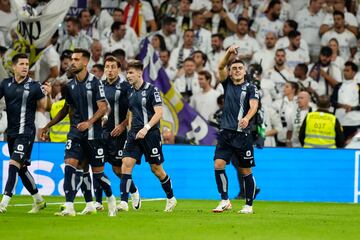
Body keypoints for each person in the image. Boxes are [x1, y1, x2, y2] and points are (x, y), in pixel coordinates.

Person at [39, 48, 117, 217]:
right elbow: (66, 109)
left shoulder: (96, 83)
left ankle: (110, 198)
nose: (72, 62)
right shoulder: (70, 85)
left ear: (85, 62)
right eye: (71, 59)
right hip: (75, 134)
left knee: (97, 174)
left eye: (76, 59)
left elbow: (103, 108)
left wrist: (89, 123)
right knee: (70, 166)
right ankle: (69, 206)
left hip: (93, 135)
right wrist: (48, 125)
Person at [117, 60, 177, 212]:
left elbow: (159, 113)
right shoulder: (129, 91)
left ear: (139, 73)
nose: (128, 75)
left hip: (150, 134)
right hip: (134, 134)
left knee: (156, 169)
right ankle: (124, 201)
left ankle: (171, 197)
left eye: (131, 72)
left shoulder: (152, 90)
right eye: (127, 72)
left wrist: (146, 127)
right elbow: (131, 111)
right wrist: (129, 127)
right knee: (125, 164)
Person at [0, 53, 50, 213]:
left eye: (27, 64)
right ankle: (39, 200)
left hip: (26, 133)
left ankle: (4, 202)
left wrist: (47, 94)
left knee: (14, 164)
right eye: (21, 64)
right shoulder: (5, 84)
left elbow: (46, 107)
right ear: (14, 67)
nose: (25, 67)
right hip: (12, 133)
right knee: (21, 169)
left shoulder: (34, 86)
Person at [212, 45, 259, 214]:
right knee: (218, 164)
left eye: (240, 68)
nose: (237, 70)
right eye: (234, 68)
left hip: (243, 135)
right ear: (230, 72)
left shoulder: (251, 88)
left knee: (246, 170)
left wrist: (246, 118)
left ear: (245, 71)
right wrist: (228, 53)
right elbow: (220, 66)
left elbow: (254, 106)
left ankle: (249, 205)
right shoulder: (227, 84)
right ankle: (225, 200)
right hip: (225, 133)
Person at [94, 56, 141, 211]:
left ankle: (133, 192)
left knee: (118, 170)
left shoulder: (126, 86)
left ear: (118, 69)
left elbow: (133, 109)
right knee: (97, 166)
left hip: (119, 134)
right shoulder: (100, 85)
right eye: (107, 67)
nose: (110, 70)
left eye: (113, 67)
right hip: (102, 134)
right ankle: (99, 202)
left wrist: (122, 125)